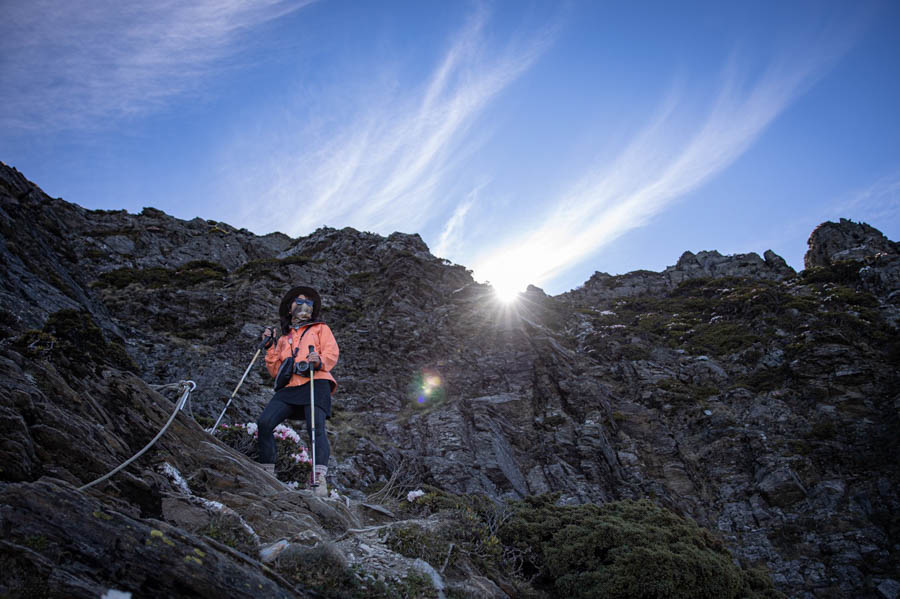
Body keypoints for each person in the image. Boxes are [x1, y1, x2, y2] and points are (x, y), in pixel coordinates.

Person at [257, 285, 338, 497]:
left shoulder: (321, 328)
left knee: (315, 428)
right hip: (290, 386)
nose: (305, 306)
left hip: (315, 381)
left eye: (309, 303)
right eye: (299, 301)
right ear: (289, 307)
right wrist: (269, 348)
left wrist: (319, 360)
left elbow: (331, 352)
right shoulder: (283, 339)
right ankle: (266, 473)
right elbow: (276, 370)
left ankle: (319, 480)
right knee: (265, 423)